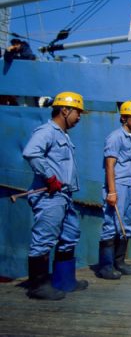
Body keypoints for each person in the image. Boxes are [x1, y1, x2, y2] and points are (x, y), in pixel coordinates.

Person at [21, 91, 88, 300]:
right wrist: (50, 177)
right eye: (78, 112)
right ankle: (38, 286)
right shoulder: (47, 131)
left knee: (70, 235)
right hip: (49, 196)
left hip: (64, 196)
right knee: (44, 238)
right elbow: (31, 152)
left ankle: (65, 281)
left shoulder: (63, 135)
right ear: (65, 110)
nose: (79, 117)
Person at [96, 101, 131, 280]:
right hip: (118, 185)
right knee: (111, 224)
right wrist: (112, 191)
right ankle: (105, 266)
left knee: (128, 223)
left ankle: (120, 262)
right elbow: (110, 165)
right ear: (124, 117)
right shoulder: (115, 137)